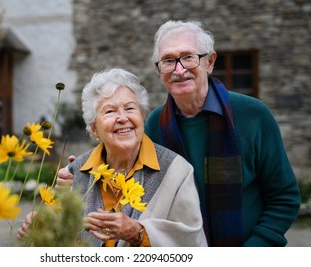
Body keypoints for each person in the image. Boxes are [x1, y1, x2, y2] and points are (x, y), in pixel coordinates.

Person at [57, 20, 301, 247]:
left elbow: (284, 197)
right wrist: (81, 176)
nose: (179, 69)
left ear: (210, 61)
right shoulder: (154, 125)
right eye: (168, 60)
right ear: (159, 70)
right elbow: (131, 179)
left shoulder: (253, 116)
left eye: (188, 57)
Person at [17, 67, 207, 247]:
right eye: (110, 111)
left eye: (130, 108)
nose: (122, 117)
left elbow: (192, 241)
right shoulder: (76, 172)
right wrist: (41, 227)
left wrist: (139, 233)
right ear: (94, 128)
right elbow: (60, 239)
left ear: (142, 117)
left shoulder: (176, 171)